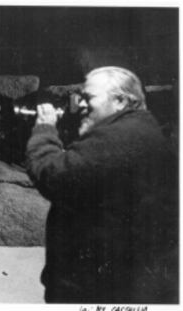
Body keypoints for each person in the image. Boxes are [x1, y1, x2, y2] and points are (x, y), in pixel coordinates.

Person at [26, 66, 178, 303]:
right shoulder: (141, 131)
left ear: (120, 100)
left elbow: (52, 175)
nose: (80, 105)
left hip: (94, 290)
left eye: (89, 98)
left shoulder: (120, 139)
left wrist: (45, 129)